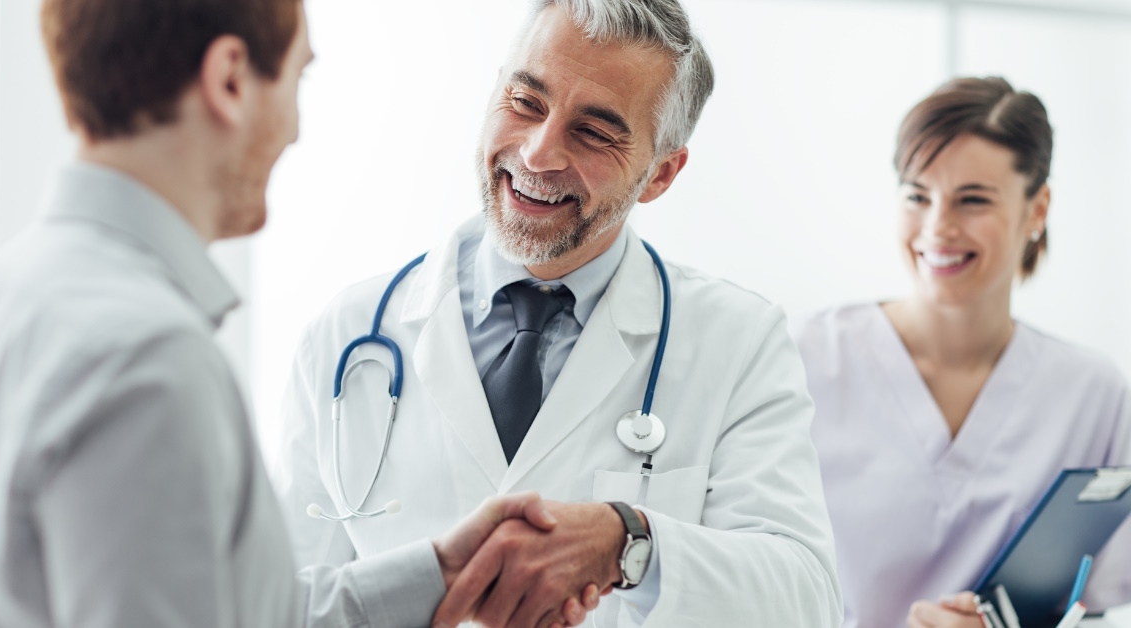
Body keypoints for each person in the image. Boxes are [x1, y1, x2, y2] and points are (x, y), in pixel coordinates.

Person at [0, 1, 598, 626]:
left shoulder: (7, 292)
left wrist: (440, 575)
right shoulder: (148, 358)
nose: (296, 129)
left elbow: (230, 608)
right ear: (229, 80)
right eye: (296, 77)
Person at [272, 1, 843, 626]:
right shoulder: (348, 333)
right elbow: (278, 602)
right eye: (526, 102)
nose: (539, 152)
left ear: (661, 174)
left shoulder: (739, 342)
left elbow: (806, 598)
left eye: (594, 133)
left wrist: (629, 542)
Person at [792, 77, 1131, 628]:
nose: (938, 227)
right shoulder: (804, 358)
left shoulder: (1093, 394)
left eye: (973, 200)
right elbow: (745, 580)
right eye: (917, 196)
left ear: (1037, 209)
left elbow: (1090, 610)